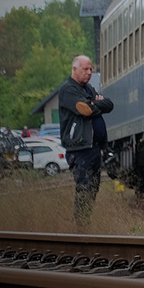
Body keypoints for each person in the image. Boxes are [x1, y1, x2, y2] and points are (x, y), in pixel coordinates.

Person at [57, 55, 114, 225]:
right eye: (85, 69)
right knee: (84, 187)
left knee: (93, 188)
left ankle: (85, 222)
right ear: (75, 69)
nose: (89, 72)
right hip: (80, 148)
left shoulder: (88, 89)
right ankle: (81, 226)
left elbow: (109, 104)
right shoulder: (68, 90)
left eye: (91, 69)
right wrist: (96, 104)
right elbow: (85, 111)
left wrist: (94, 103)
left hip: (94, 148)